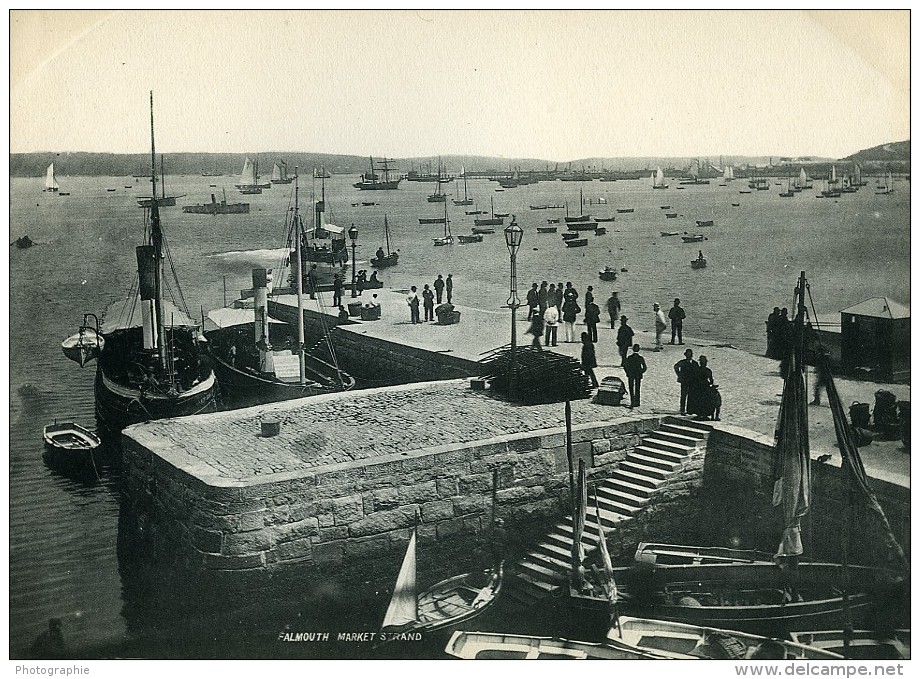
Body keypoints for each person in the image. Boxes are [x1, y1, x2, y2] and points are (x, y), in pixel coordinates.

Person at [689, 355, 716, 420]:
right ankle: (704, 414)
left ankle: (700, 414)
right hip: (704, 387)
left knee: (699, 401)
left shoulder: (697, 370)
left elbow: (694, 378)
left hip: (698, 387)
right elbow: (711, 380)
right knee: (705, 401)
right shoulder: (707, 370)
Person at [673, 348, 698, 415]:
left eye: (690, 355)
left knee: (691, 395)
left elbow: (697, 372)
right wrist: (679, 375)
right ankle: (682, 409)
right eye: (688, 355)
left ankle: (690, 410)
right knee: (683, 395)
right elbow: (676, 366)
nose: (689, 356)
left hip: (692, 382)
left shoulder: (695, 363)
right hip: (684, 381)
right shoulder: (683, 362)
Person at [623, 344, 648, 408]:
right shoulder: (640, 358)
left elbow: (625, 366)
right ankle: (637, 402)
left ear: (633, 349)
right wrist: (640, 372)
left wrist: (627, 373)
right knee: (637, 388)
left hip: (631, 374)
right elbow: (644, 367)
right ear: (639, 349)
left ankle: (632, 402)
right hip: (638, 375)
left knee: (631, 388)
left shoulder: (629, 357)